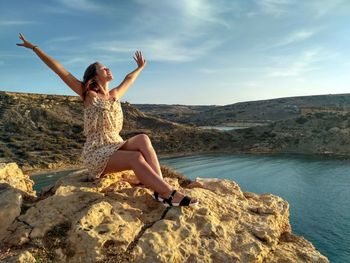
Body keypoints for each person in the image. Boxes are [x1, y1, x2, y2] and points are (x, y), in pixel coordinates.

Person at [16, 33, 199, 207]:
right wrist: (34, 48)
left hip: (115, 144)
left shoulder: (115, 95)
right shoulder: (88, 95)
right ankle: (169, 194)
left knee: (143, 137)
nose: (108, 69)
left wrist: (140, 67)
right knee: (136, 157)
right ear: (95, 76)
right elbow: (60, 70)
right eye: (104, 68)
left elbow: (129, 79)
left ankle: (160, 189)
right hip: (96, 151)